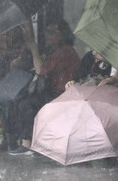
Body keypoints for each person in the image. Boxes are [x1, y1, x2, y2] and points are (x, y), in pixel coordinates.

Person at [8, 20, 80, 155]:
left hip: (60, 95)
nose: (47, 35)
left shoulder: (65, 52)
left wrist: (33, 46)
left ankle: (27, 144)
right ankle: (17, 138)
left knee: (27, 104)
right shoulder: (54, 51)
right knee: (18, 100)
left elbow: (41, 71)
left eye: (51, 32)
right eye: (46, 32)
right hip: (53, 92)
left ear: (61, 35)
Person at [0, 0, 31, 152]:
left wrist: (20, 58)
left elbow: (27, 37)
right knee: (0, 102)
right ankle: (7, 137)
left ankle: (16, 138)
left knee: (13, 101)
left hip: (14, 60)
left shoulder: (19, 8)